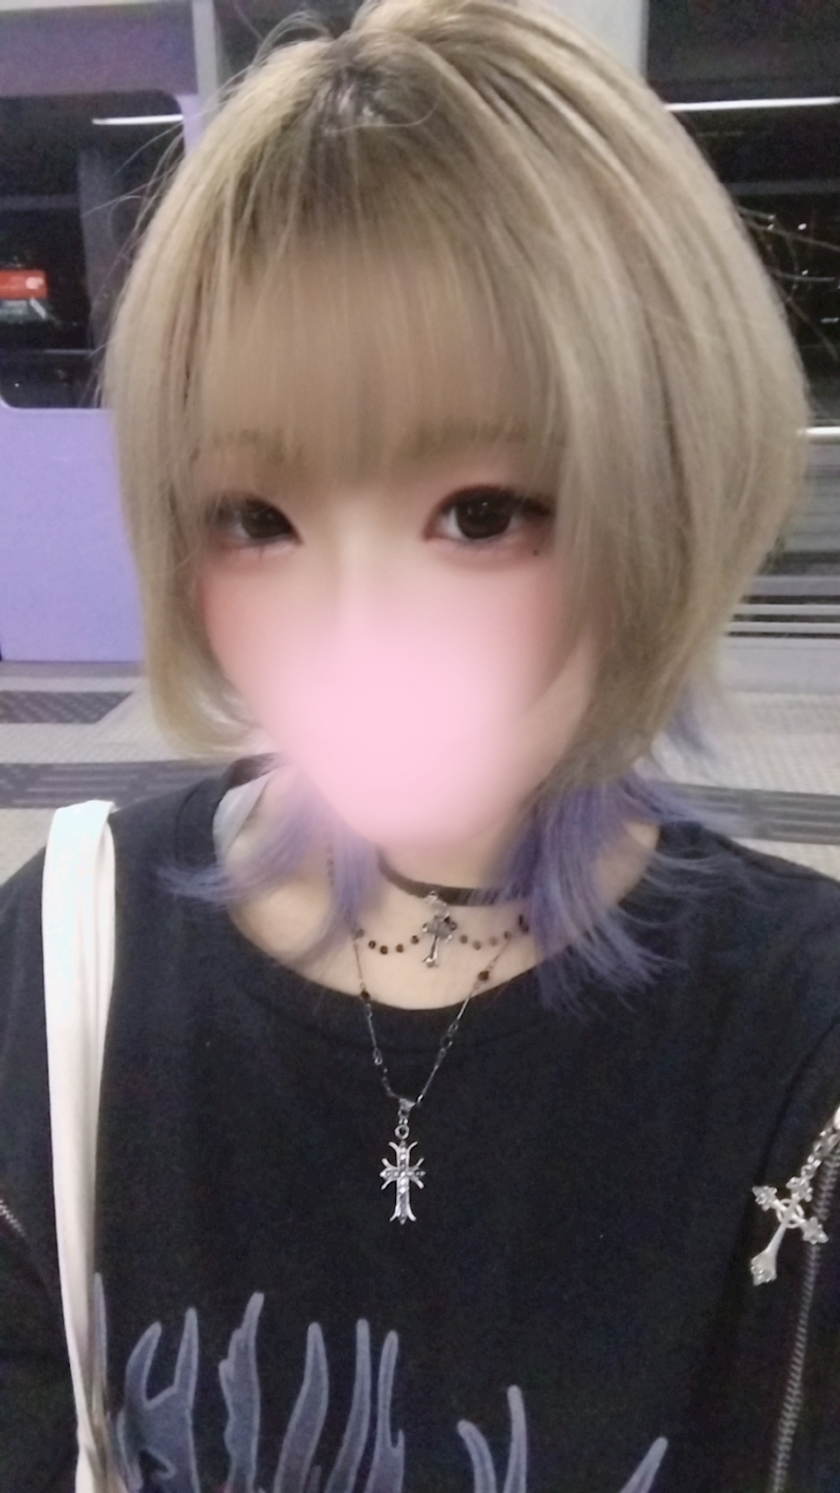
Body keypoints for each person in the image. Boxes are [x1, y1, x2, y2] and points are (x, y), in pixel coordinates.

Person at [1, 0, 839, 1488]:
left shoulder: (798, 1047)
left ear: (663, 486)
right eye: (257, 518)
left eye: (480, 512)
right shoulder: (61, 962)